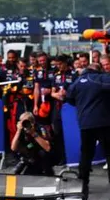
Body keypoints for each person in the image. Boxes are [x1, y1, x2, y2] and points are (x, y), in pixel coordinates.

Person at [63, 55, 110, 190]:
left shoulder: (77, 82)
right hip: (104, 122)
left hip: (85, 123)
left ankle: (83, 183)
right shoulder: (100, 78)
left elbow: (69, 98)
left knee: (86, 154)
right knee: (109, 153)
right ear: (98, 70)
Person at [10, 111, 54, 175]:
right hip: (30, 158)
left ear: (33, 122)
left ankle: (47, 172)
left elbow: (47, 148)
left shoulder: (40, 128)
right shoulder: (21, 130)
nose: (25, 125)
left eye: (27, 122)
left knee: (42, 153)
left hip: (43, 158)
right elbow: (13, 148)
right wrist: (18, 131)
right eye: (23, 122)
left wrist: (33, 133)